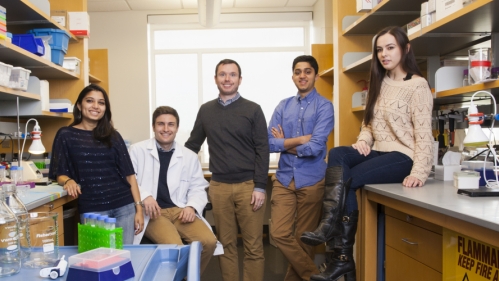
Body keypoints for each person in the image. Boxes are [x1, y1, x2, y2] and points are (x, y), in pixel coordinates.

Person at [301, 26, 434, 281]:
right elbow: (369, 124)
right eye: (380, 49)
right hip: (379, 152)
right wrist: (363, 141)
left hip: (404, 157)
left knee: (348, 179)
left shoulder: (418, 86)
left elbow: (424, 133)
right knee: (339, 153)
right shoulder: (379, 82)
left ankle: (338, 251)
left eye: (390, 47)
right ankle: (332, 234)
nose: (384, 54)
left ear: (406, 49)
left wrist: (420, 171)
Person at [185, 59, 269, 281]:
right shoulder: (206, 111)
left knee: (253, 246)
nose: (227, 79)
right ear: (215, 79)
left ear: (240, 79)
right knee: (226, 245)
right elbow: (192, 145)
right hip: (219, 187)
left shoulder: (253, 109)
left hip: (248, 187)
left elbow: (263, 149)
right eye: (223, 74)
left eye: (232, 75)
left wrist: (260, 186)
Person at [129, 106, 221, 274]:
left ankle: (188, 277)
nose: (165, 129)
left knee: (208, 242)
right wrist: (145, 196)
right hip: (153, 213)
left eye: (170, 124)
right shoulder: (137, 150)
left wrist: (191, 206)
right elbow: (129, 180)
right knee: (176, 248)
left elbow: (198, 187)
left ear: (177, 128)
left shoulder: (189, 156)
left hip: (180, 210)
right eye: (160, 124)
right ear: (153, 126)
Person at [49, 84, 144, 244]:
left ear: (105, 108)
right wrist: (68, 180)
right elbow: (60, 173)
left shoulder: (114, 136)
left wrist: (139, 209)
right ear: (79, 105)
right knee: (98, 260)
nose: (95, 106)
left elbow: (129, 175)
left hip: (124, 206)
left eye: (101, 103)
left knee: (123, 257)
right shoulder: (66, 135)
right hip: (93, 209)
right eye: (90, 101)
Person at [268, 55, 334, 281]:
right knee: (278, 234)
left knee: (303, 239)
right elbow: (268, 143)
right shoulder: (283, 106)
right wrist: (299, 140)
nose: (302, 75)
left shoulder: (325, 106)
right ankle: (316, 276)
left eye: (307, 71)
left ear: (315, 75)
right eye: (298, 71)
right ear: (293, 76)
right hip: (284, 179)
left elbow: (316, 148)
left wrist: (285, 143)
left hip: (312, 180)